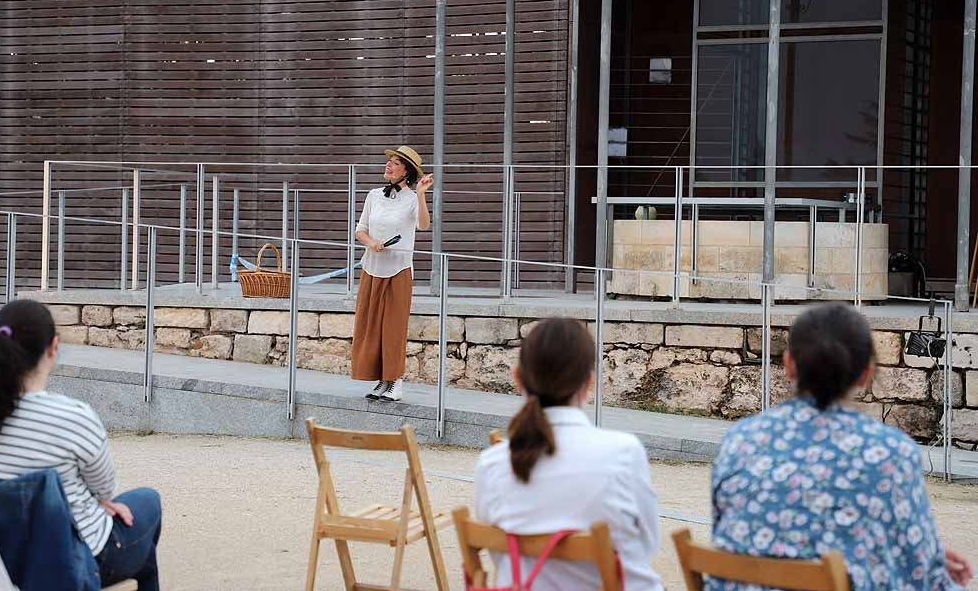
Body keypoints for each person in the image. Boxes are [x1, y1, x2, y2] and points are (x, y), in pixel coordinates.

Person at [710, 302, 973, 590]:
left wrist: (912, 556)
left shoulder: (740, 440)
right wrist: (922, 561)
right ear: (866, 373)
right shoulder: (890, 454)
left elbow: (734, 540)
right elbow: (927, 580)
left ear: (789, 365)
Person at [0, 299, 163, 591]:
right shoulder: (74, 416)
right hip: (73, 557)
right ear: (53, 347)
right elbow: (103, 489)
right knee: (148, 502)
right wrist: (100, 501)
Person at [473, 318, 663, 590]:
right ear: (588, 384)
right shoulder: (624, 454)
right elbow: (647, 546)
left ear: (517, 378)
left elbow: (499, 554)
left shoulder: (491, 465)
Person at [351, 145, 433, 402]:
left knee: (394, 327)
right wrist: (371, 242)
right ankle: (380, 380)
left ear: (406, 171)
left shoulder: (411, 199)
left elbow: (423, 225)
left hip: (398, 270)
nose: (388, 165)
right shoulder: (374, 195)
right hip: (371, 268)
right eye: (390, 161)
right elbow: (360, 230)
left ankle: (395, 381)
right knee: (371, 326)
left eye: (396, 163)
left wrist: (420, 194)